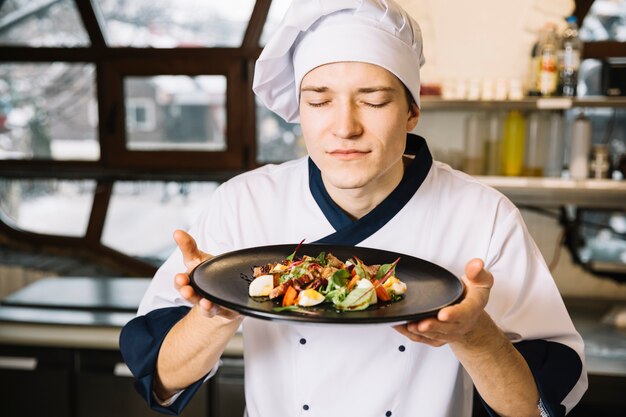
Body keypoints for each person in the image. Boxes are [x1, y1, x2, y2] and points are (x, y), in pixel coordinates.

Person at [120, 1, 587, 416]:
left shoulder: (483, 214)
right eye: (319, 101)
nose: (344, 127)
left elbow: (536, 408)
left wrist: (475, 335)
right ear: (299, 110)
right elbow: (160, 378)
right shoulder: (246, 203)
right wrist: (212, 313)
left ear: (411, 111)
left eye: (374, 100)